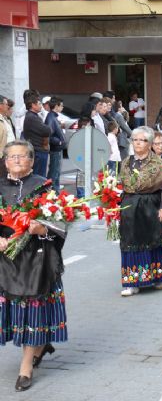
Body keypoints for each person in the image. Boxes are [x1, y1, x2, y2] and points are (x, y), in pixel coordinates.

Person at [0, 140, 67, 391]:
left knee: (33, 309)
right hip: (5, 260)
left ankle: (26, 366)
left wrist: (43, 228)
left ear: (31, 160)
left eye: (22, 156)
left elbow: (61, 223)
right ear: (5, 161)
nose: (17, 160)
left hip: (37, 259)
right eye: (12, 156)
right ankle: (41, 344)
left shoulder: (43, 186)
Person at [118, 127, 162, 296]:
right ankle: (132, 282)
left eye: (142, 140)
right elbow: (121, 185)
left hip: (151, 206)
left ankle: (157, 276)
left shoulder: (157, 164)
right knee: (130, 241)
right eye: (135, 139)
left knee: (154, 240)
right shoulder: (126, 162)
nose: (137, 143)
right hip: (130, 208)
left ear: (149, 143)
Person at [22, 94, 51, 178]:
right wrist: (48, 127)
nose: (41, 106)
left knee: (39, 175)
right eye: (39, 104)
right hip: (38, 150)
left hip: (38, 150)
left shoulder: (33, 116)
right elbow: (47, 130)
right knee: (39, 177)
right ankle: (39, 191)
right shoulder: (32, 117)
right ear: (33, 105)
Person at [44, 97, 65, 192]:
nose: (62, 108)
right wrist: (59, 142)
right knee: (54, 172)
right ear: (56, 106)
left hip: (57, 149)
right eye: (61, 106)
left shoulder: (53, 117)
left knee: (56, 172)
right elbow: (49, 135)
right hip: (55, 149)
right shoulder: (51, 117)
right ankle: (51, 193)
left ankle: (54, 193)